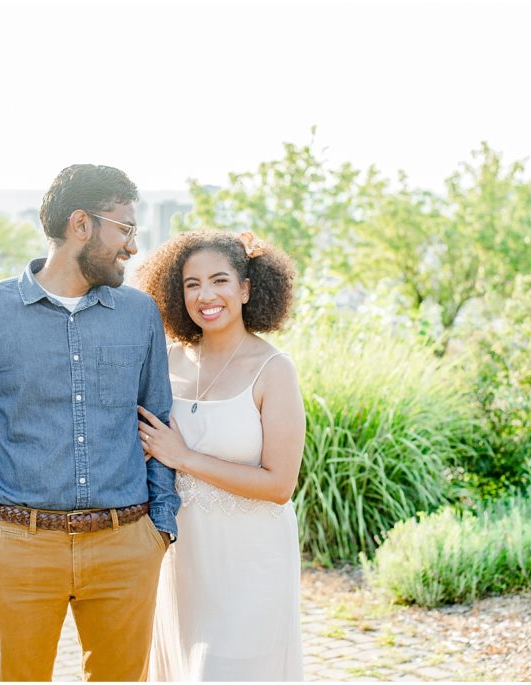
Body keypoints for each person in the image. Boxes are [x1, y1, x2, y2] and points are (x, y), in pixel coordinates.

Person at [0, 164, 179, 682]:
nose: (133, 248)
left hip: (127, 545)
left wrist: (161, 526)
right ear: (82, 224)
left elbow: (159, 421)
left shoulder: (140, 315)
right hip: (17, 549)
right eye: (126, 230)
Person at [135, 230, 305, 681]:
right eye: (192, 284)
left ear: (246, 289)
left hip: (252, 560)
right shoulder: (164, 361)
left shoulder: (274, 370)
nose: (205, 295)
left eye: (219, 281)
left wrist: (184, 457)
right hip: (182, 555)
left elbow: (279, 485)